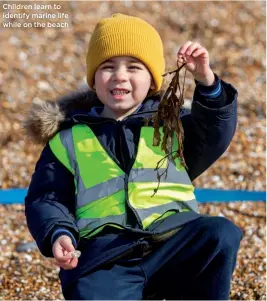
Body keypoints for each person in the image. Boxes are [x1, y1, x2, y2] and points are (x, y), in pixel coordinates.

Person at [24, 13, 242, 300]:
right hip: (106, 257)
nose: (120, 75)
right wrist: (59, 234)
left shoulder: (172, 124)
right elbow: (47, 197)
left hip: (173, 242)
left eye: (134, 67)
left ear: (152, 80)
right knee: (86, 287)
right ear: (93, 79)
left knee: (219, 234)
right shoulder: (68, 139)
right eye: (108, 66)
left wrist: (207, 82)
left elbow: (214, 132)